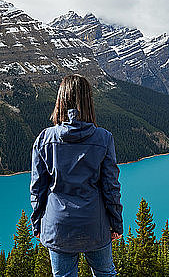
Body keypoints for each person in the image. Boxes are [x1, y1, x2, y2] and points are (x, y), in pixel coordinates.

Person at [30, 74, 124, 277]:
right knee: (105, 273)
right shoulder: (104, 138)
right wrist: (116, 222)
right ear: (89, 101)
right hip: (95, 224)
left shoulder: (44, 138)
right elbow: (111, 186)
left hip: (58, 225)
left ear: (60, 101)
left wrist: (37, 224)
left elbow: (37, 189)